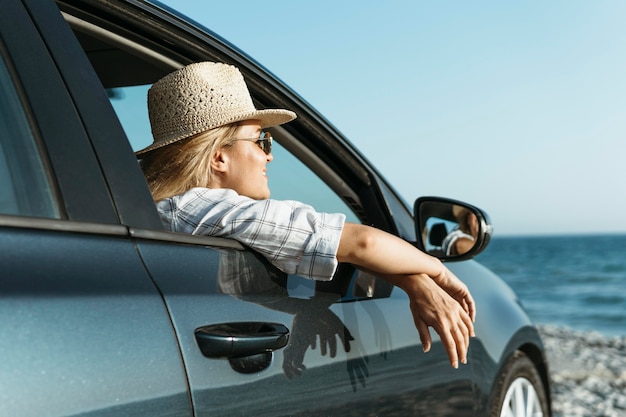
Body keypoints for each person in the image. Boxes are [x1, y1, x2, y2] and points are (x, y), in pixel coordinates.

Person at [137, 62, 476, 369]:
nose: (268, 157)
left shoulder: (177, 212)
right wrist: (438, 274)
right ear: (218, 158)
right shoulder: (213, 210)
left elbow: (237, 282)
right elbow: (360, 242)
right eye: (261, 141)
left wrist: (409, 279)